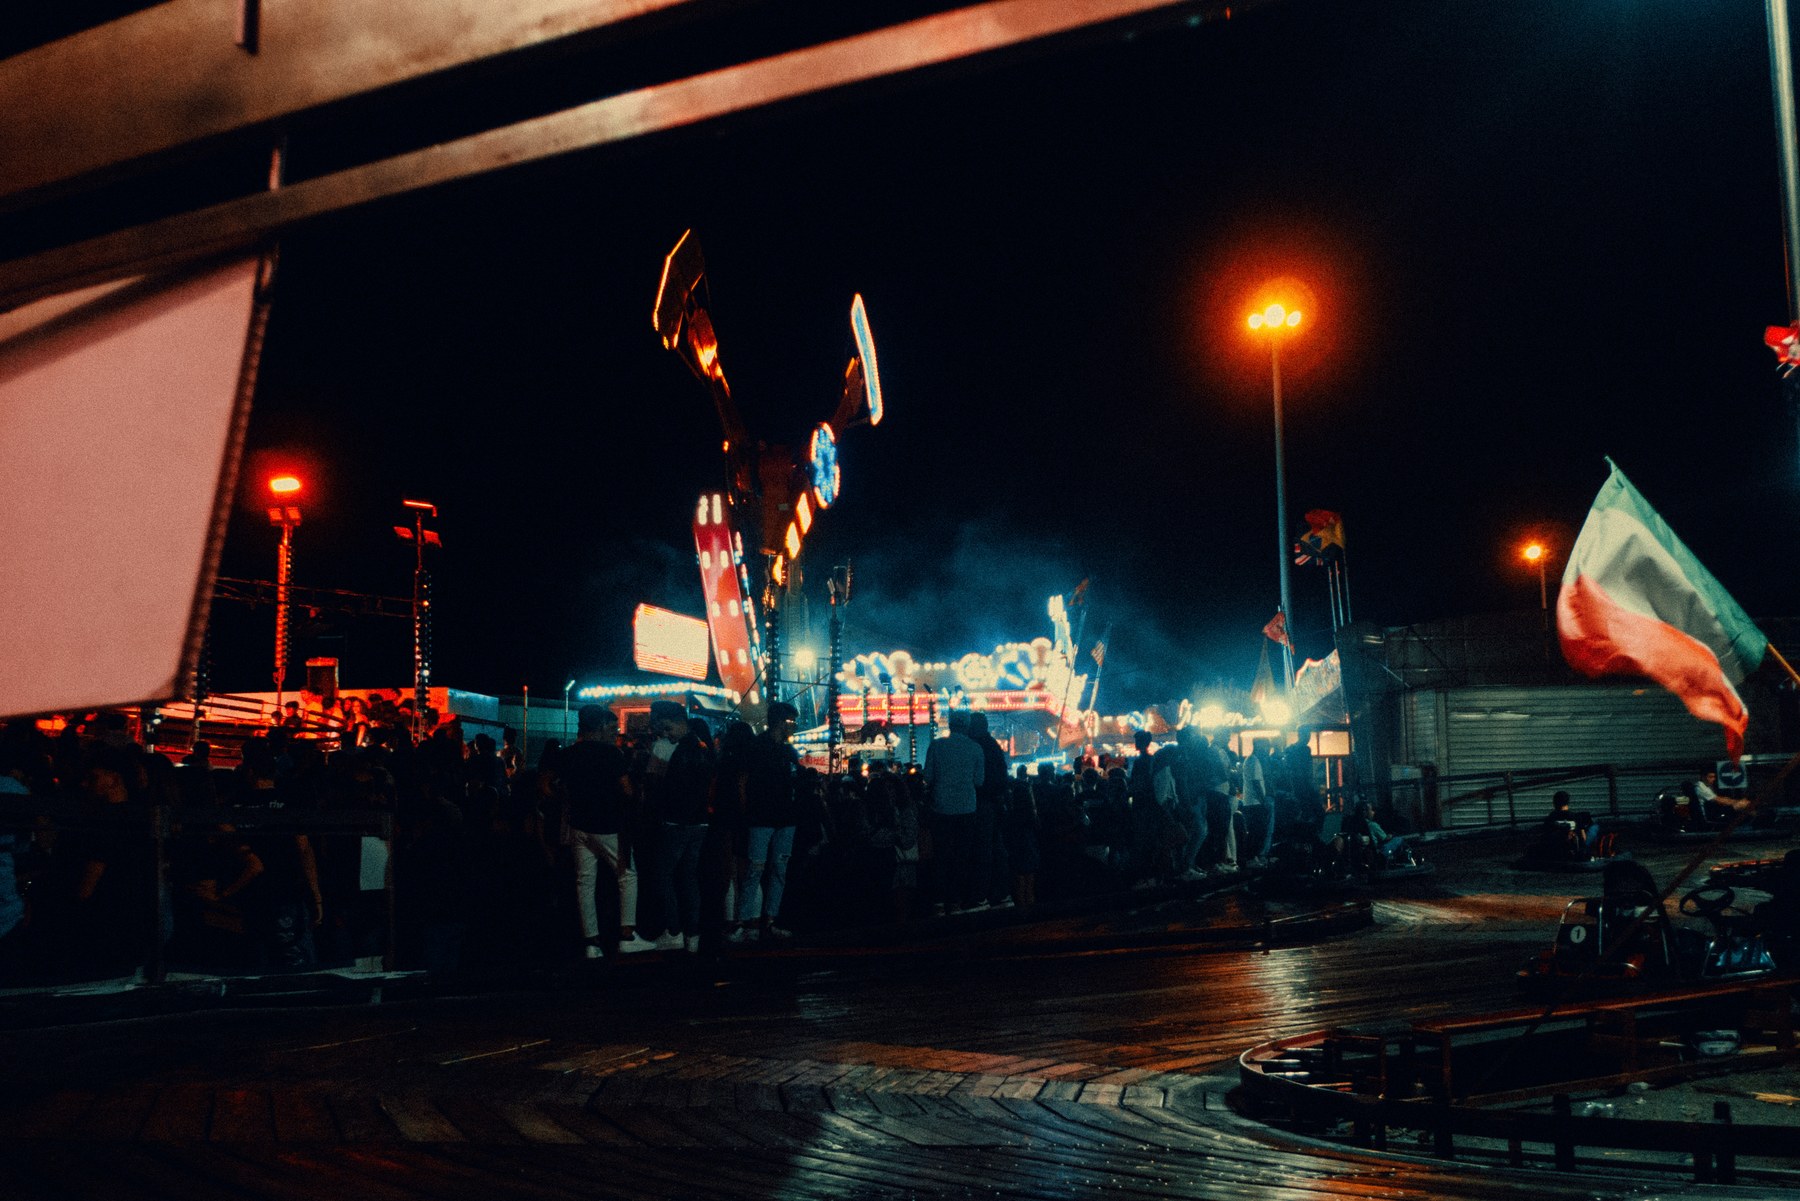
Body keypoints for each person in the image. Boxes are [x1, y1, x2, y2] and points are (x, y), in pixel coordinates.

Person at [561, 704, 655, 957]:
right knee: (627, 875)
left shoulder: (569, 754)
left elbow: (552, 786)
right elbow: (626, 790)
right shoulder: (611, 754)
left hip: (579, 825)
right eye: (612, 728)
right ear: (601, 727)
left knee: (585, 881)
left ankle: (592, 942)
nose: (615, 732)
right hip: (608, 825)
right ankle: (627, 935)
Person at [733, 702, 802, 943]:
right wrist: (746, 813)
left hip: (783, 818)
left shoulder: (787, 751)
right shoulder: (757, 747)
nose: (793, 727)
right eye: (791, 722)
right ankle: (745, 922)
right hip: (762, 817)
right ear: (780, 722)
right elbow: (742, 781)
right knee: (757, 869)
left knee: (776, 869)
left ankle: (767, 921)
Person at [923, 710, 984, 913]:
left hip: (941, 807)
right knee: (962, 855)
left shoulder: (937, 746)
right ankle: (958, 899)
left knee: (942, 854)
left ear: (949, 725)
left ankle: (939, 898)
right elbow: (979, 781)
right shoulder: (975, 748)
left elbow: (928, 777)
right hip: (967, 807)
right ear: (966, 726)